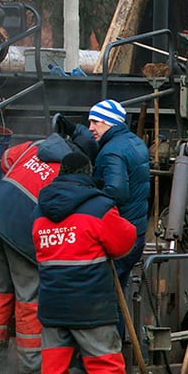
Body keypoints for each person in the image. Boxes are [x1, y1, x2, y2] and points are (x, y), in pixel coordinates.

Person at [33, 151, 137, 374]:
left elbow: (36, 246)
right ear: (88, 171)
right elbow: (124, 241)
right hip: (91, 303)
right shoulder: (99, 206)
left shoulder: (41, 209)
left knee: (54, 370)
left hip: (52, 304)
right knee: (105, 363)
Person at [0, 132, 78, 374]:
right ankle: (31, 365)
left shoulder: (36, 145)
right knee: (29, 297)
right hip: (21, 232)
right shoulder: (69, 170)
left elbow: (5, 160)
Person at [57, 99, 149, 287]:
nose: (90, 128)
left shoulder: (110, 152)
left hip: (119, 236)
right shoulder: (133, 142)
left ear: (108, 122)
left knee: (109, 298)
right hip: (136, 231)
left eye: (94, 122)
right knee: (118, 292)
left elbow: (115, 192)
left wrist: (85, 198)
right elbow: (93, 137)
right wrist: (74, 130)